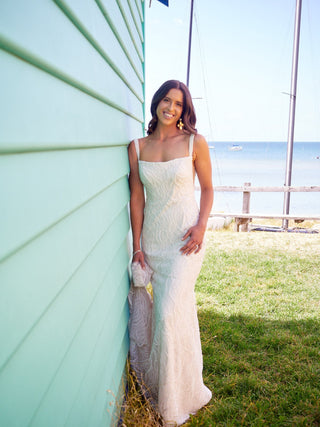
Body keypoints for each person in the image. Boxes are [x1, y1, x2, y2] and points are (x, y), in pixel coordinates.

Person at [128, 80, 213, 426]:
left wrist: (202, 226)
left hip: (184, 241)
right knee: (175, 316)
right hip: (153, 241)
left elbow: (207, 189)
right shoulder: (136, 147)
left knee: (166, 312)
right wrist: (137, 246)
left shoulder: (195, 142)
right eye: (167, 100)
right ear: (156, 103)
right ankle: (179, 385)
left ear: (184, 109)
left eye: (179, 104)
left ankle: (175, 402)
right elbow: (137, 198)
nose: (172, 108)